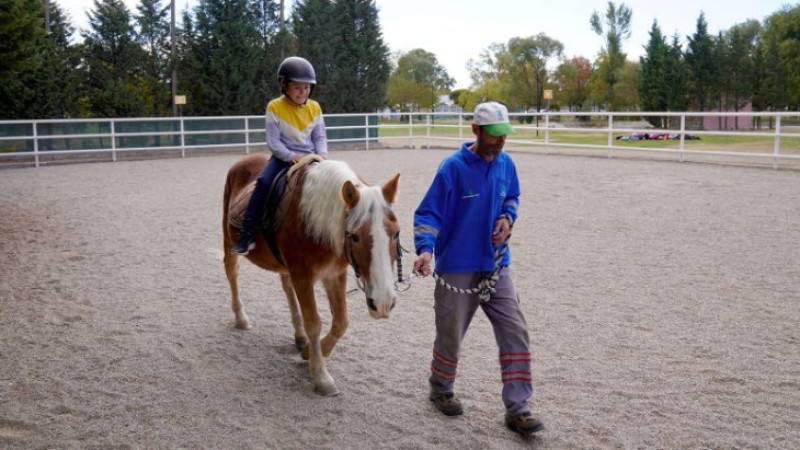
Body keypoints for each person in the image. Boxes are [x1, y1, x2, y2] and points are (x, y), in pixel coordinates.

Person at [412, 101, 544, 437]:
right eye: (495, 134)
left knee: (515, 331)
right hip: (457, 266)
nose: (501, 141)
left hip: (498, 265)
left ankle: (519, 409)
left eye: (504, 134)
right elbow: (428, 213)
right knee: (450, 332)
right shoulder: (452, 168)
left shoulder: (506, 164)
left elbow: (512, 196)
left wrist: (507, 218)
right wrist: (426, 251)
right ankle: (441, 387)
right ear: (476, 130)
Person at [231, 56, 328, 255]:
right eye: (298, 88)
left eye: (307, 88)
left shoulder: (315, 107)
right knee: (264, 183)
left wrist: (322, 154)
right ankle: (247, 233)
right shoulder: (274, 107)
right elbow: (273, 142)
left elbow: (320, 136)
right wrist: (290, 156)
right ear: (284, 86)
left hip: (311, 157)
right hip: (283, 158)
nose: (303, 92)